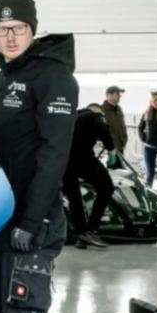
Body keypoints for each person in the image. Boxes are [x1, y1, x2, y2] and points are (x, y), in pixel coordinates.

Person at [0, 0, 78, 313]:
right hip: (0, 219)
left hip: (32, 222)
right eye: (1, 28)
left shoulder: (53, 77)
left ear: (32, 30)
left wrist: (32, 220)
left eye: (18, 27)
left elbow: (54, 154)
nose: (9, 37)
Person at [62, 104, 114, 249]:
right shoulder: (94, 115)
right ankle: (91, 229)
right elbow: (102, 128)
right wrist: (111, 149)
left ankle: (81, 234)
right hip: (82, 158)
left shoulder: (71, 115)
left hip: (63, 161)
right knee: (107, 188)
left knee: (74, 197)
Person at [139, 90, 157, 187]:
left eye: (156, 100)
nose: (153, 102)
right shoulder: (146, 113)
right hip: (149, 147)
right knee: (149, 173)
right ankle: (148, 194)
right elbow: (140, 127)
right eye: (152, 100)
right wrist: (143, 139)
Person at [101, 85, 127, 159]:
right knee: (111, 169)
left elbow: (122, 126)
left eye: (119, 94)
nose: (119, 96)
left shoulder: (119, 109)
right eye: (117, 94)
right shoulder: (101, 110)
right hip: (109, 149)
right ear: (108, 95)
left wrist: (124, 140)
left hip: (120, 146)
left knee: (119, 170)